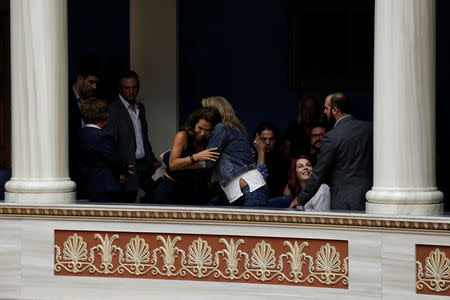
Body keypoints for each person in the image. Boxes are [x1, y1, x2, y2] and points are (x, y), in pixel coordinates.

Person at [290, 92, 373, 210]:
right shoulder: (369, 129)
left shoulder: (331, 137)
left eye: (326, 108)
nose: (324, 112)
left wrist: (301, 198)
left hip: (343, 201)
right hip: (369, 196)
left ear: (335, 110)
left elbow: (319, 172)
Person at [199, 97, 268, 207]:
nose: (203, 114)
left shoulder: (221, 128)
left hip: (249, 191)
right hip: (244, 192)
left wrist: (183, 161)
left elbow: (208, 161)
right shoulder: (231, 128)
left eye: (206, 110)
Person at [105, 70, 160, 202]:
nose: (131, 92)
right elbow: (110, 143)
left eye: (134, 87)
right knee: (127, 204)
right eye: (126, 88)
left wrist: (152, 160)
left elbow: (143, 137)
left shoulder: (140, 107)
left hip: (144, 165)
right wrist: (117, 170)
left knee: (155, 197)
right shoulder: (113, 110)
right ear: (120, 89)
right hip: (127, 168)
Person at [153, 107, 222, 204]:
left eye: (207, 130)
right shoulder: (183, 136)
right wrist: (196, 157)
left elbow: (208, 164)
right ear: (194, 125)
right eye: (200, 128)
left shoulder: (210, 141)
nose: (202, 133)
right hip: (170, 189)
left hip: (191, 191)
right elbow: (172, 165)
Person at [78, 99, 125, 202]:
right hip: (105, 187)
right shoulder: (103, 136)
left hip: (85, 185)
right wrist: (124, 168)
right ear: (104, 116)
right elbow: (116, 160)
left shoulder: (80, 134)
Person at [69, 62, 100, 198]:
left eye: (96, 83)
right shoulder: (63, 98)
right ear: (80, 79)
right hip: (70, 163)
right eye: (91, 82)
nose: (94, 87)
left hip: (90, 165)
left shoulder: (93, 100)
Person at [252, 122, 291, 198]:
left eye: (271, 139)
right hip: (257, 200)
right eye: (264, 139)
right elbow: (257, 185)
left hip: (277, 203)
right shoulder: (251, 157)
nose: (267, 143)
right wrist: (261, 153)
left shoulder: (283, 160)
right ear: (257, 139)